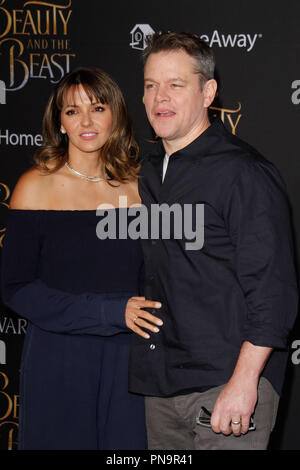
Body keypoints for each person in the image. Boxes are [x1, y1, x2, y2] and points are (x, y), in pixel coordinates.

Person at [127, 32, 298, 450]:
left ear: (208, 92)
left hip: (227, 382)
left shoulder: (244, 172)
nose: (159, 97)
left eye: (175, 84)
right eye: (151, 85)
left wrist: (244, 381)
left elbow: (273, 290)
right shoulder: (147, 172)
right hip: (162, 383)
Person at [1, 66, 162, 450]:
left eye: (98, 108)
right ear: (60, 122)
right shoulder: (34, 187)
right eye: (73, 111)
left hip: (128, 362)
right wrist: (108, 312)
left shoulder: (141, 188)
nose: (86, 121)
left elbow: (155, 277)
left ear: (116, 116)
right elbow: (16, 289)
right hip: (59, 360)